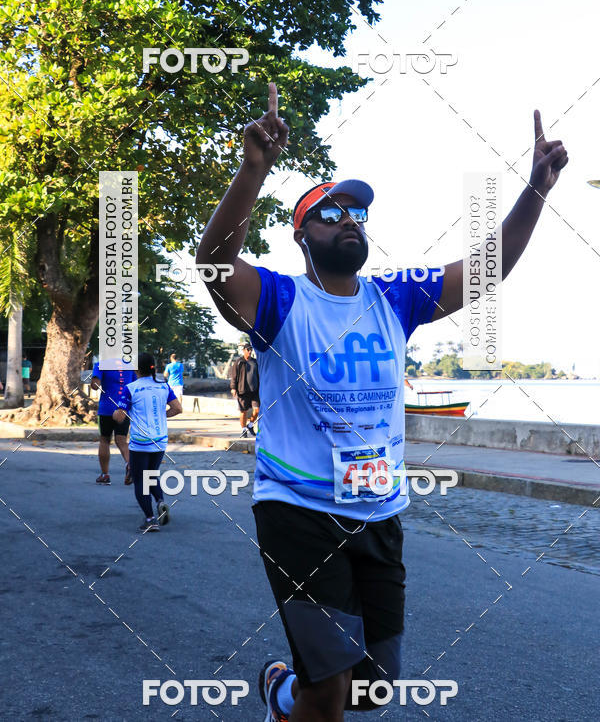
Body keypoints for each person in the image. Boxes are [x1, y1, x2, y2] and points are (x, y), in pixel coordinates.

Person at [196, 83, 568, 721]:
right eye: (330, 212)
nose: (348, 220)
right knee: (332, 697)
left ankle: (279, 691)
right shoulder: (281, 301)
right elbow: (212, 264)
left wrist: (534, 190)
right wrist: (252, 172)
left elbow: (489, 268)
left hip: (379, 511)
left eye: (357, 214)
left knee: (372, 688)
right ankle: (303, 696)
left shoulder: (394, 299)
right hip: (298, 510)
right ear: (301, 235)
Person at [112, 352, 182, 531]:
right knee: (151, 475)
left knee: (140, 480)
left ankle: (150, 519)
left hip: (140, 442)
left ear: (136, 369)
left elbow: (119, 417)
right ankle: (160, 501)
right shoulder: (164, 387)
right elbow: (177, 408)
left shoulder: (131, 388)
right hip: (160, 440)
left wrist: (117, 413)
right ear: (154, 367)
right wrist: (160, 415)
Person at [91, 360, 137, 485]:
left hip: (106, 409)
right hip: (124, 408)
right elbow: (135, 386)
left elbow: (95, 385)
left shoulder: (100, 364)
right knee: (121, 440)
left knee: (104, 440)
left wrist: (96, 381)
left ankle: (105, 475)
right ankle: (130, 465)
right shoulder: (130, 365)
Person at [229, 343, 260, 437]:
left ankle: (250, 425)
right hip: (242, 390)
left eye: (251, 349)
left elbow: (259, 375)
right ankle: (243, 430)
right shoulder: (239, 362)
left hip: (254, 391)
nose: (250, 351)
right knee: (243, 411)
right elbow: (233, 376)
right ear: (243, 350)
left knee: (257, 410)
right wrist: (233, 388)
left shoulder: (255, 362)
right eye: (248, 349)